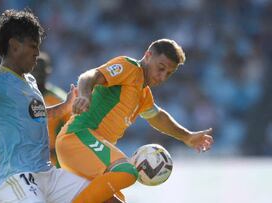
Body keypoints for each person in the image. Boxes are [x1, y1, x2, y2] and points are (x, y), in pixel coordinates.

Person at [0, 9, 90, 203]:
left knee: (104, 195)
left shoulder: (29, 80)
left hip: (47, 174)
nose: (38, 53)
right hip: (17, 178)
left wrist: (63, 107)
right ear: (14, 46)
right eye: (33, 46)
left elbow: (34, 114)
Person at [56, 39, 214, 203]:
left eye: (168, 73)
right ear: (148, 55)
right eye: (161, 68)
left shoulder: (144, 95)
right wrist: (84, 95)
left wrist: (187, 137)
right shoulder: (129, 67)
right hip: (77, 137)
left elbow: (157, 117)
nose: (162, 77)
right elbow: (90, 75)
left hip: (90, 153)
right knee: (127, 172)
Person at [31, 52, 70, 167]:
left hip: (55, 164)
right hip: (27, 163)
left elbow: (72, 129)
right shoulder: (20, 97)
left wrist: (56, 149)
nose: (37, 73)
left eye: (41, 69)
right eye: (34, 69)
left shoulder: (60, 99)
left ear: (48, 71)